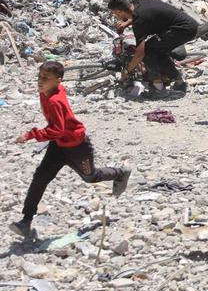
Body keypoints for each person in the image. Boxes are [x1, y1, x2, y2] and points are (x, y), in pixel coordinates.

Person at [10, 61, 131, 238]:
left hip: (77, 147)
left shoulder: (54, 101)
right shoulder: (48, 92)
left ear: (58, 80)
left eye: (46, 78)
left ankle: (120, 173)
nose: (40, 81)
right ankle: (25, 221)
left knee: (90, 177)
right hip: (58, 146)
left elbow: (57, 129)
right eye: (39, 76)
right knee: (40, 178)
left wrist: (31, 135)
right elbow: (58, 130)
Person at [108, 0, 198, 95]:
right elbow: (144, 15)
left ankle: (158, 88)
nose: (116, 17)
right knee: (157, 50)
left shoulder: (139, 21)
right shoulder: (138, 4)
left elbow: (139, 54)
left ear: (119, 11)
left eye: (115, 14)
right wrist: (127, 22)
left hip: (182, 30)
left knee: (148, 50)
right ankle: (179, 82)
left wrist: (127, 70)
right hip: (187, 25)